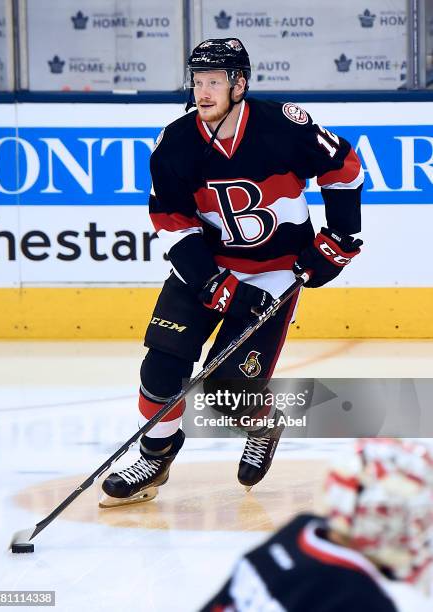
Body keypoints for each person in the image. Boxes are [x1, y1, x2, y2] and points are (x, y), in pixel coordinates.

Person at [99, 38, 364, 508]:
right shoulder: (175, 143)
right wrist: (212, 284)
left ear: (239, 84)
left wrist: (340, 239)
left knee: (225, 393)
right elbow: (172, 223)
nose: (203, 92)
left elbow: (343, 166)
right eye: (198, 81)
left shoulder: (283, 126)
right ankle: (154, 456)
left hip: (274, 273)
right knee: (161, 367)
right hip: (205, 268)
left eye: (214, 82)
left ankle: (262, 421)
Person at [200, 438, 433, 612]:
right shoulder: (360, 597)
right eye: (405, 517)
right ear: (369, 515)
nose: (415, 531)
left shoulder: (299, 532)